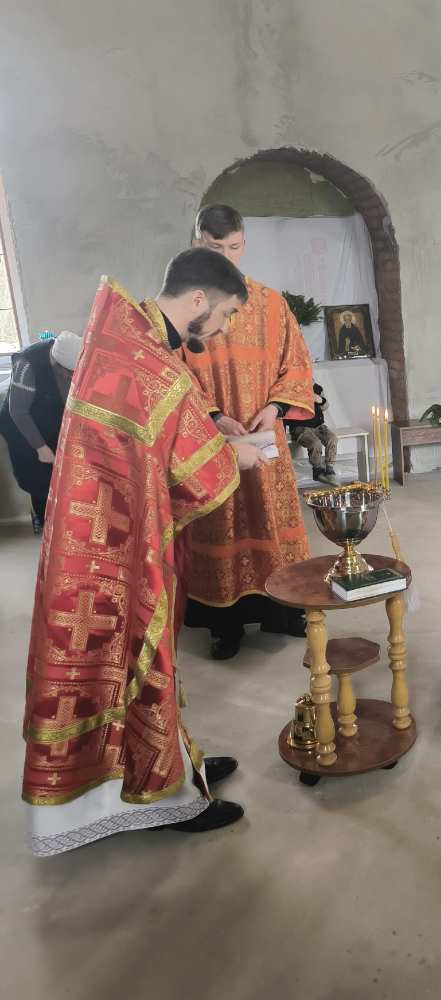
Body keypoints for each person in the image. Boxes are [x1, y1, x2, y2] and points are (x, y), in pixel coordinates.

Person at [22, 249, 264, 856]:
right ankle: (156, 797)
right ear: (199, 300)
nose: (225, 328)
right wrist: (235, 456)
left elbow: (157, 436)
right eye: (226, 314)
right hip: (109, 548)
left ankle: (173, 756)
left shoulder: (128, 338)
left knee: (140, 660)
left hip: (103, 534)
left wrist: (212, 430)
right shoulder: (145, 358)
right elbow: (191, 466)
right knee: (129, 659)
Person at [183, 204, 315, 661]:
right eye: (213, 247)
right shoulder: (184, 308)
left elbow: (296, 364)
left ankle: (283, 612)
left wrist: (275, 408)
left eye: (233, 247)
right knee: (222, 523)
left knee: (271, 520)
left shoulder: (272, 304)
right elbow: (173, 376)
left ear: (244, 244)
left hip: (264, 435)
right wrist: (214, 415)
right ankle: (226, 623)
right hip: (211, 439)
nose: (225, 256)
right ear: (196, 242)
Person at [0, 331, 83, 532]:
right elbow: (18, 411)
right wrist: (40, 447)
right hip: (19, 427)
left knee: (61, 476)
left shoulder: (71, 350)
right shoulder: (27, 363)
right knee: (38, 479)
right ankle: (42, 520)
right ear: (56, 363)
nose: (71, 376)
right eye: (68, 373)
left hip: (45, 417)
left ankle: (61, 521)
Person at [288, 382, 339, 485]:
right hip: (300, 426)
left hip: (318, 425)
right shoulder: (291, 387)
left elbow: (325, 407)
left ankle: (329, 468)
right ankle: (317, 470)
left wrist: (320, 400)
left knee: (332, 438)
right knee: (315, 443)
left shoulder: (317, 388)